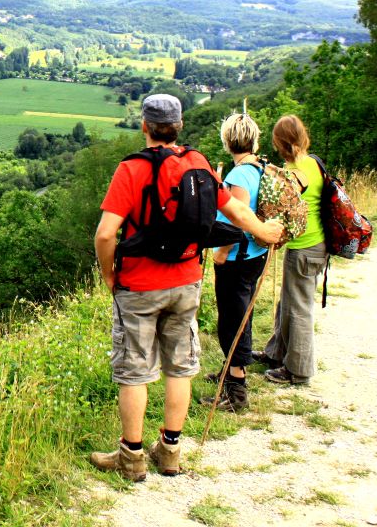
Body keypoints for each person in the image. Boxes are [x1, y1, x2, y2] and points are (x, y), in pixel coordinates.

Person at [91, 94, 283, 481]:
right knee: (179, 368)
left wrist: (110, 275)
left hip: (140, 285)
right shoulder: (196, 164)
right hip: (185, 282)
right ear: (179, 127)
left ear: (144, 126)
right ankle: (171, 452)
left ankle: (131, 458)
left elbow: (105, 234)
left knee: (134, 371)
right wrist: (264, 231)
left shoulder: (131, 169)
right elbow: (236, 211)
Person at [202, 111, 269, 412]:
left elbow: (237, 220)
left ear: (228, 142)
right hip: (256, 253)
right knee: (242, 314)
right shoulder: (260, 168)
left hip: (238, 256)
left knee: (232, 319)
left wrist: (222, 252)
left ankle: (236, 390)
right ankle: (230, 371)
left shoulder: (238, 176)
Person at [254, 114, 327, 385]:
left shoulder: (292, 173)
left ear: (279, 142)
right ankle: (276, 352)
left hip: (303, 248)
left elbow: (282, 210)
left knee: (298, 308)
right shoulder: (313, 163)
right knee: (288, 301)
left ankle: (298, 370)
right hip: (317, 245)